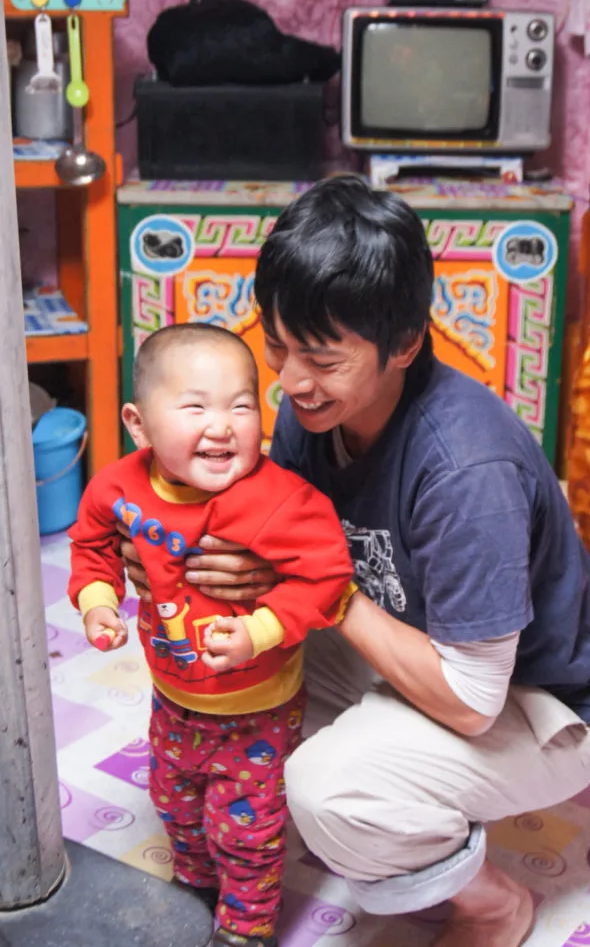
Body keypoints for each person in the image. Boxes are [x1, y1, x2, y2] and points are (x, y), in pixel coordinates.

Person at [121, 176, 590, 947]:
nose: (290, 383)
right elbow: (266, 546)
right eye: (278, 347)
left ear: (403, 344)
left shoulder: (464, 470)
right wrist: (176, 556)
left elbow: (470, 702)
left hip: (537, 702)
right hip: (404, 640)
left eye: (321, 360)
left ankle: (492, 903)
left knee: (329, 789)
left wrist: (322, 592)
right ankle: (380, 788)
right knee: (217, 651)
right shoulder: (315, 410)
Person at [68, 323, 354, 947]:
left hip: (259, 708)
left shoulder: (282, 501)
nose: (223, 425)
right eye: (196, 406)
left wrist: (261, 629)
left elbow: (329, 575)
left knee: (246, 826)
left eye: (242, 406)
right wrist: (96, 602)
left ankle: (245, 928)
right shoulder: (119, 487)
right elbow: (91, 545)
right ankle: (197, 885)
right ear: (139, 424)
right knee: (172, 801)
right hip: (172, 696)